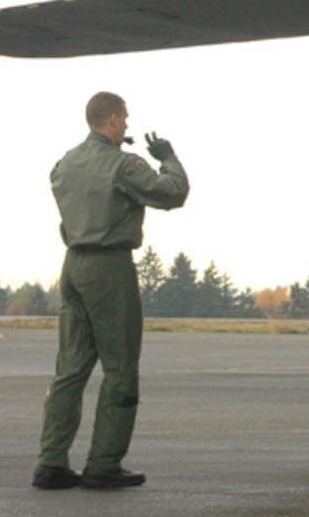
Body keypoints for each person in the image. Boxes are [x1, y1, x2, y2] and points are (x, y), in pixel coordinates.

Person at [31, 91, 190, 490]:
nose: (127, 125)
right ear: (114, 119)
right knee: (119, 366)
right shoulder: (122, 165)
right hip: (109, 266)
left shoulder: (64, 163)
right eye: (125, 118)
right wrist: (166, 156)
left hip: (73, 265)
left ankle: (51, 461)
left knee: (70, 368)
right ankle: (103, 461)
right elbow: (173, 192)